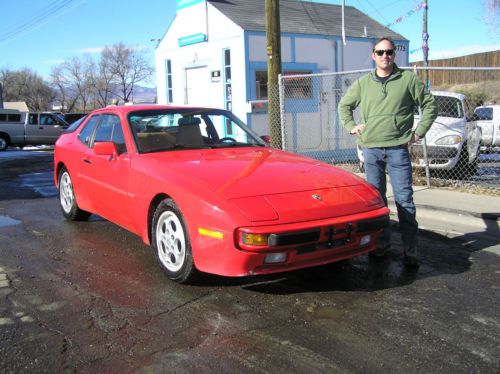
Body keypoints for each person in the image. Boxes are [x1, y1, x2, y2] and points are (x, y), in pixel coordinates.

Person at [338, 36, 438, 268]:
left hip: (398, 149)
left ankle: (410, 249)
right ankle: (380, 246)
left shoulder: (408, 80)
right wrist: (352, 126)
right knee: (377, 201)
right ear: (373, 55)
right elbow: (344, 106)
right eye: (380, 52)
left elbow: (430, 105)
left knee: (404, 200)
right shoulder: (363, 83)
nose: (385, 56)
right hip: (371, 149)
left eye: (389, 52)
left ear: (394, 55)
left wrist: (418, 132)